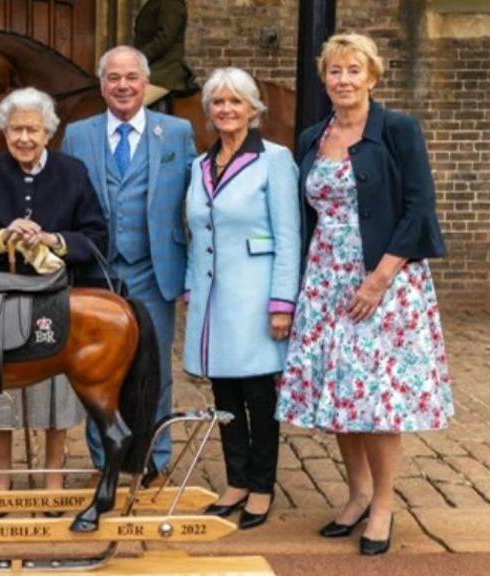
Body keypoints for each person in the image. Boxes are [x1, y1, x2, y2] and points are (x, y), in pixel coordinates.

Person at [275, 32, 453, 555]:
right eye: (335, 71)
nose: (344, 80)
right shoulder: (312, 137)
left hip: (385, 284)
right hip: (326, 281)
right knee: (341, 395)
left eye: (354, 70)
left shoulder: (398, 130)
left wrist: (379, 278)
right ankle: (355, 496)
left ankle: (383, 506)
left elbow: (419, 207)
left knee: (376, 401)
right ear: (324, 78)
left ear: (372, 76)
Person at [0, 87, 108, 500]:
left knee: (56, 386)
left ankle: (52, 475)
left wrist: (53, 239)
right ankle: (3, 476)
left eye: (33, 129)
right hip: (0, 298)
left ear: (49, 133)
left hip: (54, 295)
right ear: (5, 133)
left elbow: (96, 237)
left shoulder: (72, 171)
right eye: (16, 130)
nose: (24, 138)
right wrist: (4, 236)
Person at [62, 46, 195, 483]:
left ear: (146, 82)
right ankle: (107, 459)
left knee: (153, 367)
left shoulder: (176, 133)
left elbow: (195, 203)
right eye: (113, 78)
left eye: (131, 77)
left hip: (154, 267)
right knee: (97, 369)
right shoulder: (78, 135)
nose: (123, 85)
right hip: (96, 271)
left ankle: (152, 459)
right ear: (102, 85)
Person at [183, 67, 300, 530]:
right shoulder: (199, 164)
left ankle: (262, 485)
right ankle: (235, 481)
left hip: (256, 298)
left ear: (254, 109)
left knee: (258, 396)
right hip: (213, 299)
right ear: (209, 112)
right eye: (218, 102)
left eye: (236, 101)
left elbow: (288, 237)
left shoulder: (274, 159)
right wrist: (193, 286)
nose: (226, 110)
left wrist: (282, 303)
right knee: (224, 393)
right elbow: (196, 233)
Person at [133, 0, 198, 113]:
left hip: (164, 72)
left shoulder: (171, 4)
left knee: (127, 106)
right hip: (149, 68)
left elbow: (164, 40)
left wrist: (135, 58)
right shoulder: (155, 2)